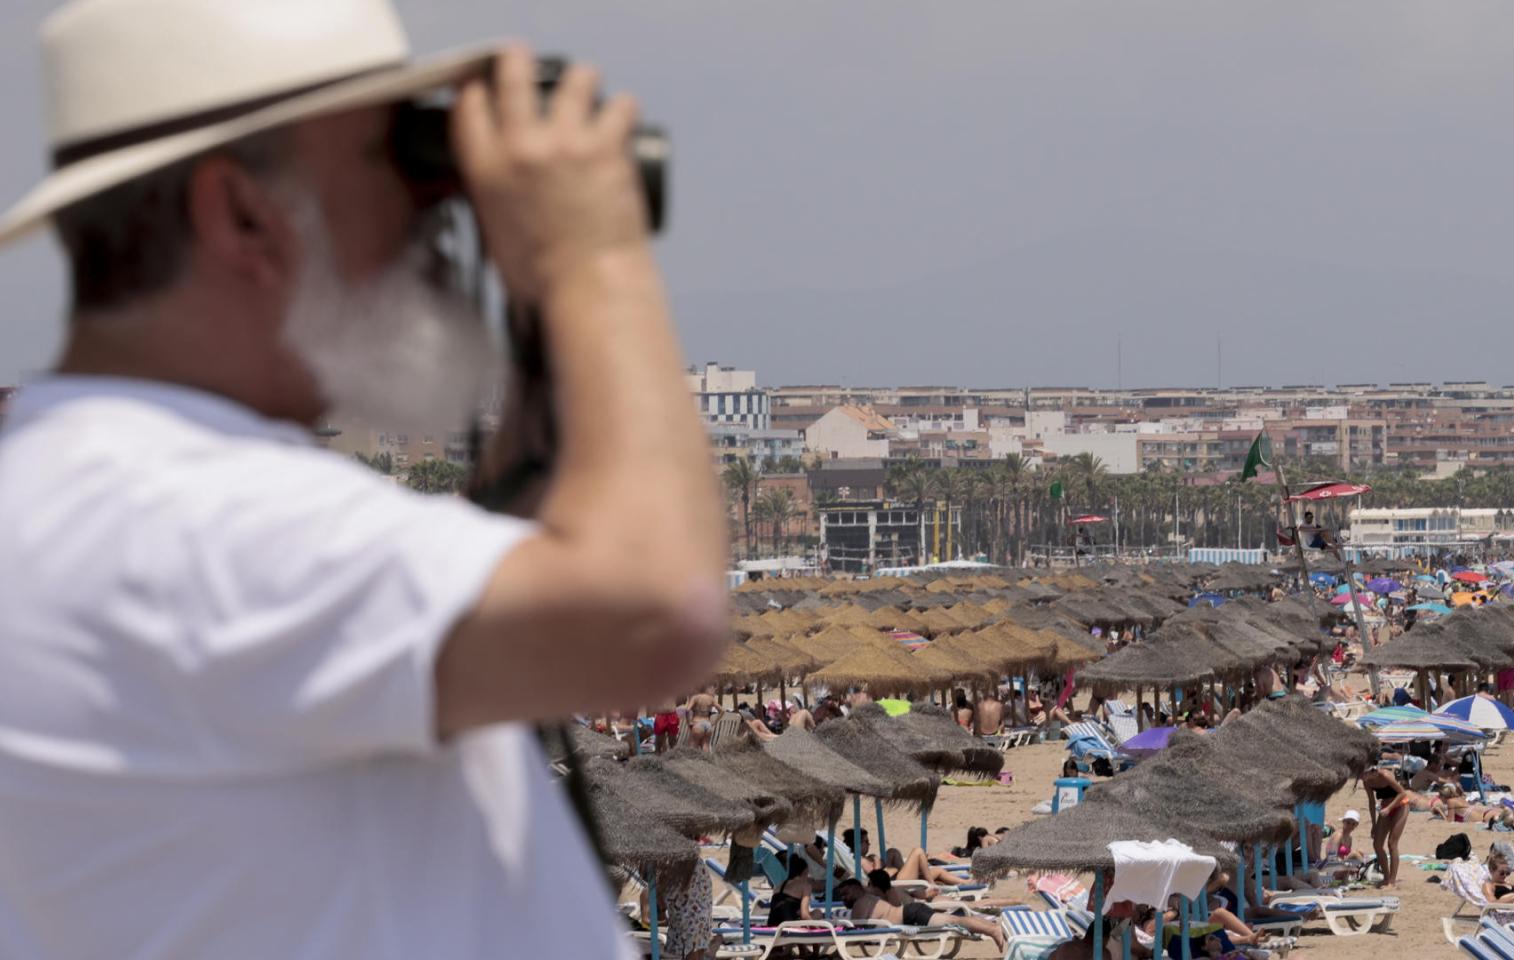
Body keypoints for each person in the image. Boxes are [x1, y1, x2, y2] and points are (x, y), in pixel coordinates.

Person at [0, 4, 730, 956]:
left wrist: (545, 344)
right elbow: (650, 611)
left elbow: (503, 572)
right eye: (391, 157)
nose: (434, 206)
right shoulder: (185, 518)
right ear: (240, 213)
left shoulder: (85, 489)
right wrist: (594, 258)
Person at [838, 874, 1006, 950]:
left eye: (846, 893)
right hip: (910, 913)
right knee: (955, 920)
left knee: (955, 921)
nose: (844, 898)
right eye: (842, 896)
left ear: (856, 887)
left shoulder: (861, 902)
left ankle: (992, 930)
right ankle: (992, 928)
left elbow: (854, 936)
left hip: (911, 915)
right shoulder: (869, 899)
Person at [1361, 765, 1409, 888]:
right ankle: (1386, 878)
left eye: (1363, 773)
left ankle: (1392, 881)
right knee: (1377, 844)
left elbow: (1402, 793)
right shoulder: (1366, 781)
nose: (1361, 777)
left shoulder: (1385, 775)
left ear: (1372, 771)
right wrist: (1373, 824)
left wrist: (1389, 808)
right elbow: (1371, 802)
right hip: (1385, 808)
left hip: (1400, 806)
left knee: (1392, 843)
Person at [765, 855, 820, 927]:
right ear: (804, 872)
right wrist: (817, 927)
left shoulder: (779, 886)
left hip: (772, 924)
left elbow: (785, 906)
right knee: (817, 913)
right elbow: (805, 915)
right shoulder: (805, 886)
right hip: (789, 926)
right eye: (807, 873)